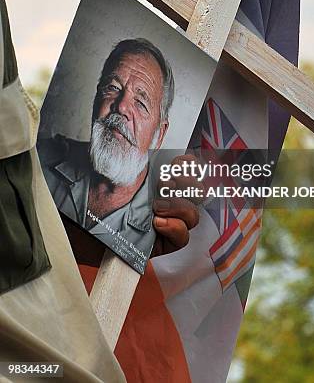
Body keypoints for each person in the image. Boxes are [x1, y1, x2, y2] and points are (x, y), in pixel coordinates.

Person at [38, 38, 199, 268]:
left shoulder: (161, 221)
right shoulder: (40, 157)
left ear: (159, 134)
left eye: (141, 103)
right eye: (113, 88)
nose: (122, 107)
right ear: (96, 99)